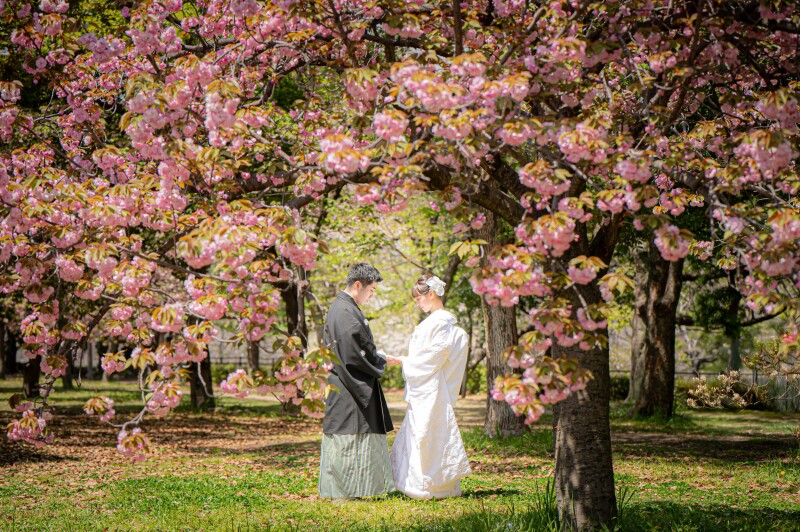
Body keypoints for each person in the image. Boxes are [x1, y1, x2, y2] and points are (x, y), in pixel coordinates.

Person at [388, 274, 471, 499]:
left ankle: (428, 486)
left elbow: (434, 357)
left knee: (427, 433)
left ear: (431, 294)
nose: (417, 303)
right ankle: (418, 483)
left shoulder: (440, 323)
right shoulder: (436, 322)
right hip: (426, 385)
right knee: (422, 432)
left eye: (419, 298)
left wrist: (404, 361)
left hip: (431, 387)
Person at [318, 263, 395, 500]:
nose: (372, 296)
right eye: (371, 290)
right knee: (349, 438)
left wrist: (376, 356)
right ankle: (345, 492)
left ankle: (352, 490)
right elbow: (354, 352)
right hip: (348, 383)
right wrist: (379, 359)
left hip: (344, 381)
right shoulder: (344, 311)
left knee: (352, 437)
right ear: (358, 285)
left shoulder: (344, 308)